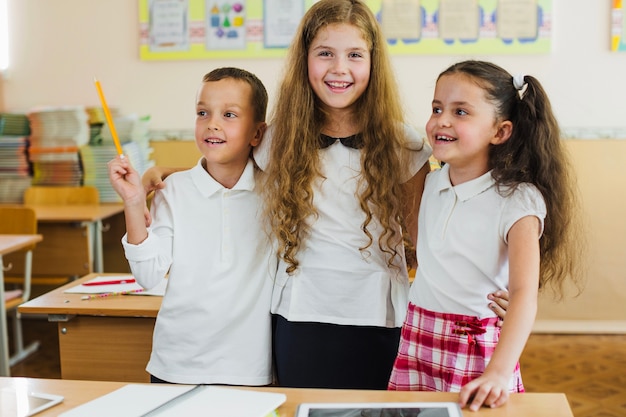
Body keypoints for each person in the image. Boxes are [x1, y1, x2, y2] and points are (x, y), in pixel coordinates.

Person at [141, 0, 510, 390]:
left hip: (380, 318)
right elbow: (226, 169)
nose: (339, 68)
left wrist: (486, 286)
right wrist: (165, 173)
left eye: (354, 55)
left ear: (373, 63)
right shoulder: (277, 139)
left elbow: (427, 238)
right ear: (305, 61)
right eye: (325, 54)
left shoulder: (404, 145)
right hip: (298, 316)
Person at [388, 60, 585, 411]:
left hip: (475, 347)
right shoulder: (432, 181)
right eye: (437, 108)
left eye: (460, 111)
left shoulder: (518, 200)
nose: (441, 120)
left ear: (500, 131)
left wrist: (497, 373)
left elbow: (524, 294)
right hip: (418, 334)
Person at [107, 67, 274, 385]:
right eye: (202, 112)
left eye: (229, 114)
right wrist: (133, 201)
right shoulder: (173, 190)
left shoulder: (276, 193)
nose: (212, 123)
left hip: (250, 368)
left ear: (257, 133)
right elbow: (148, 274)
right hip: (177, 365)